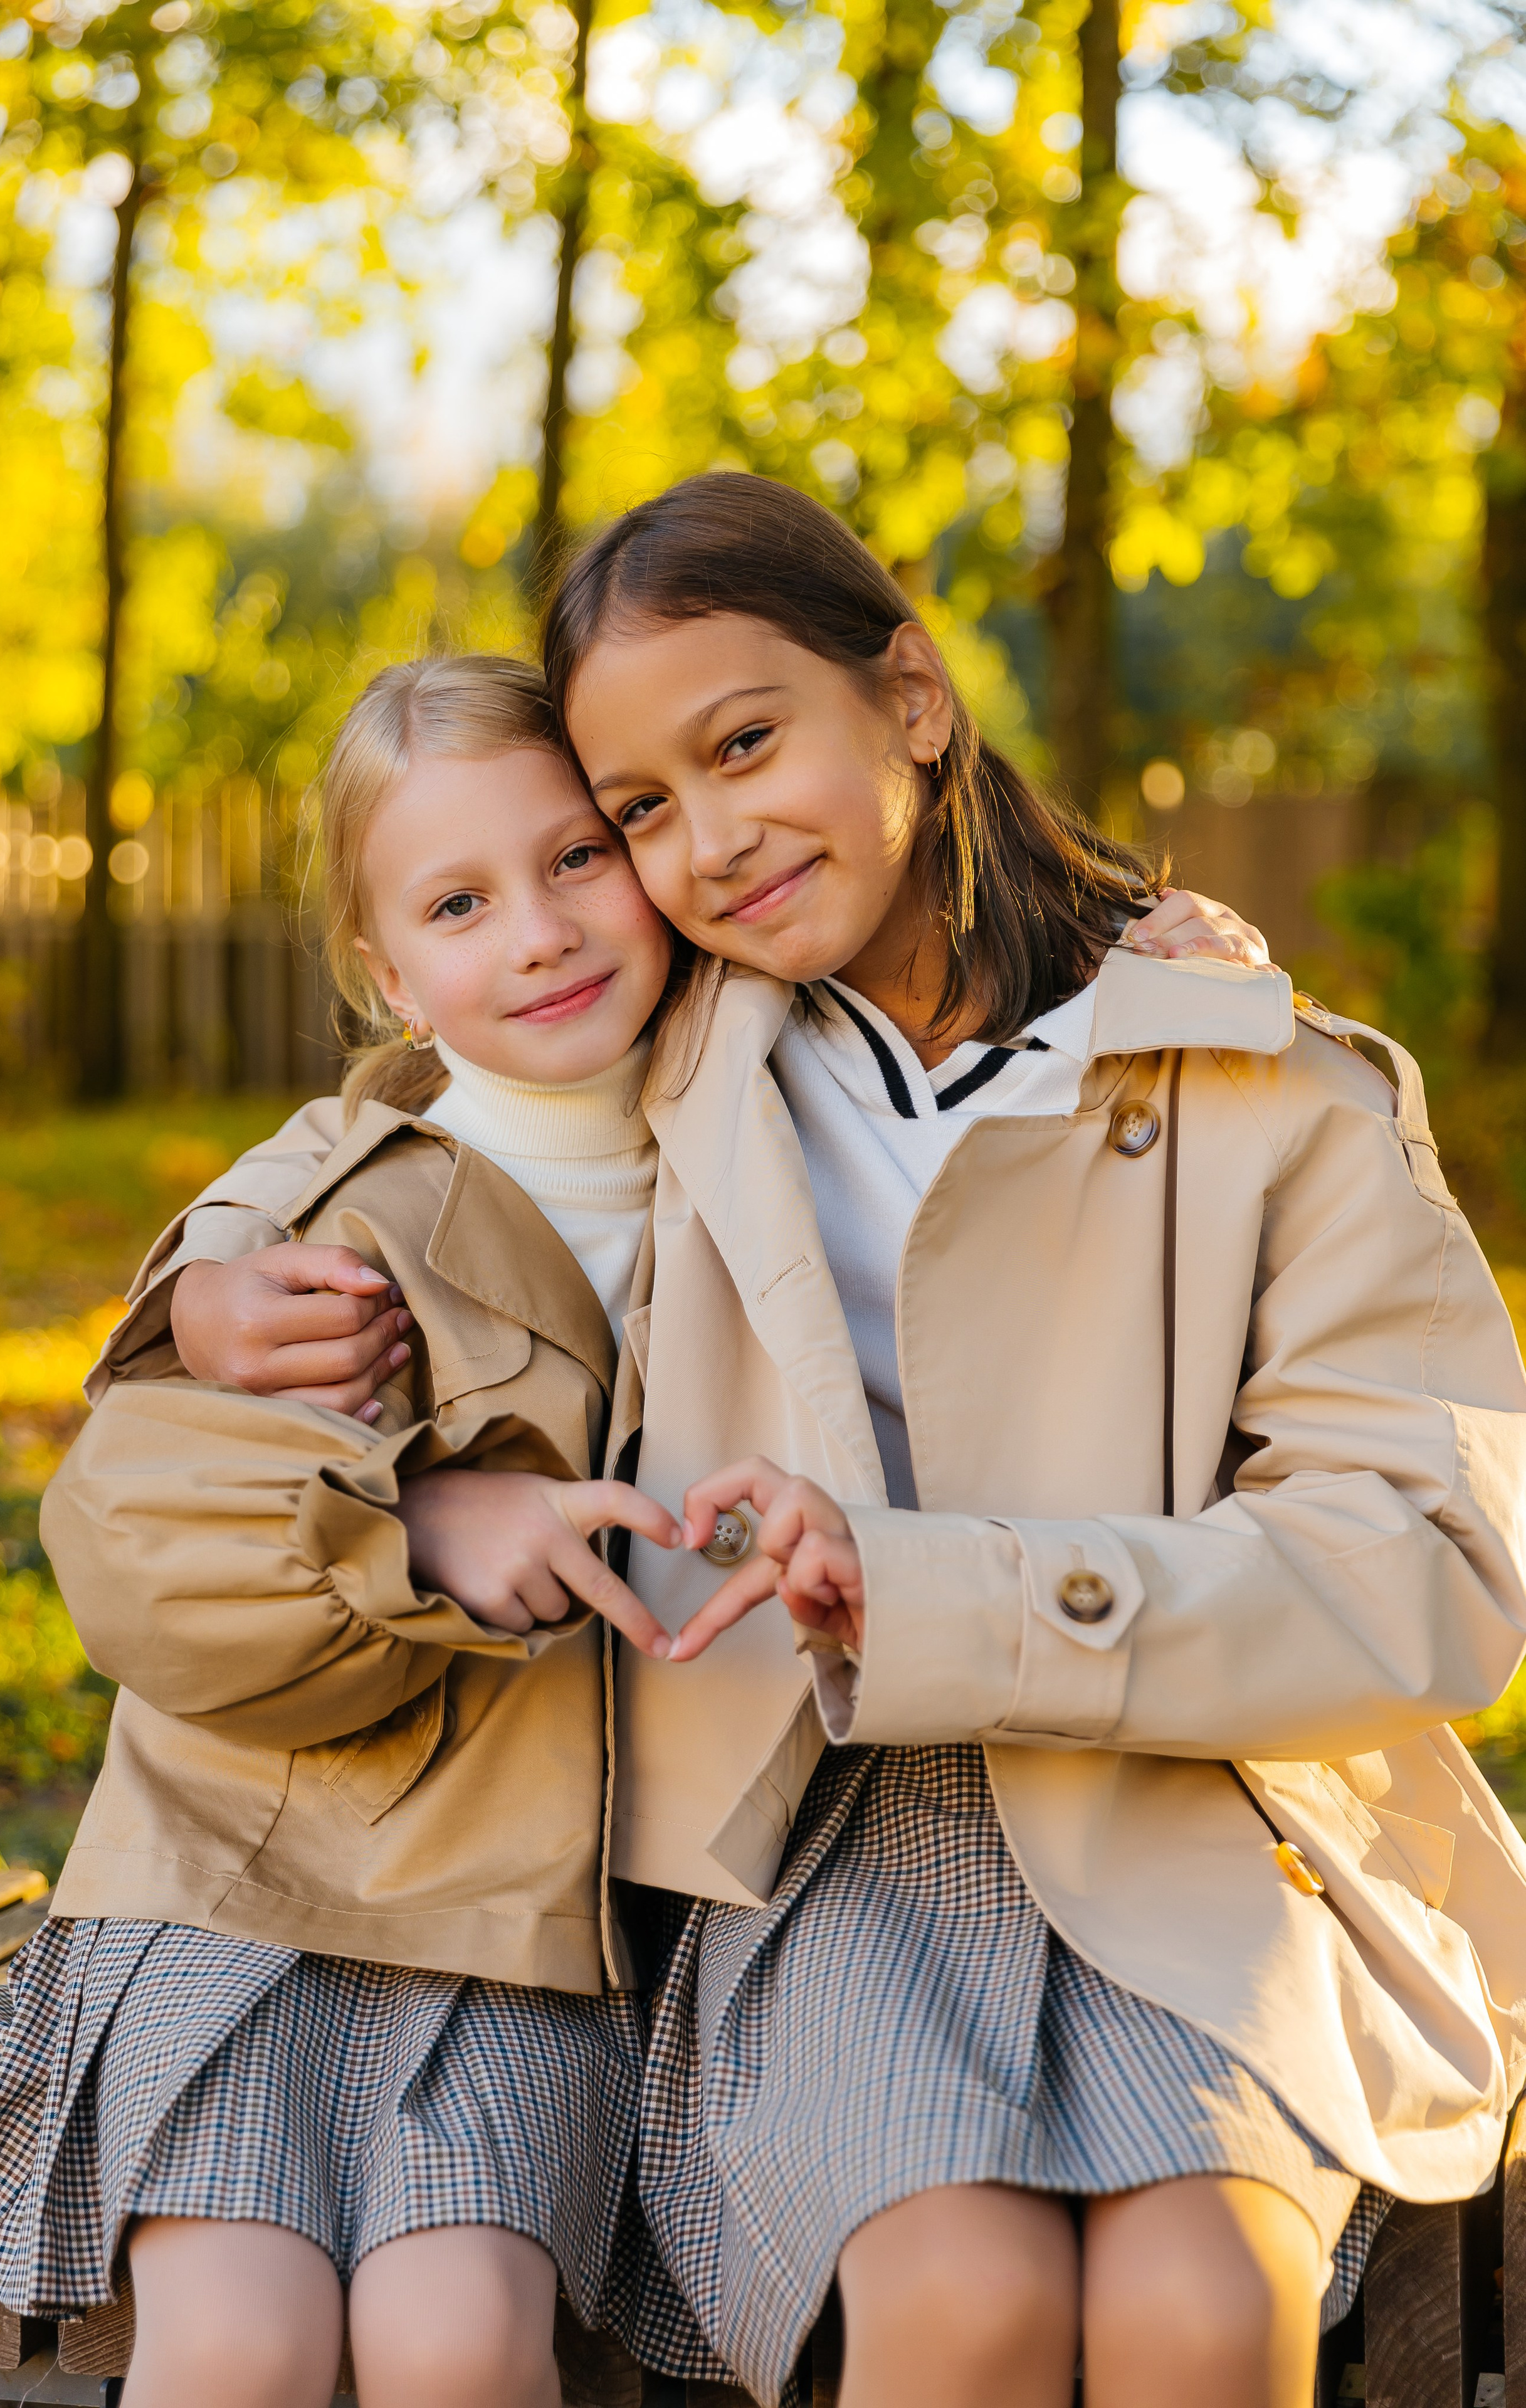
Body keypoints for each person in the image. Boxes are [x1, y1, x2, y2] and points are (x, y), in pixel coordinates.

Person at [527, 473, 1526, 2408]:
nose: (711, 841)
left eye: (747, 743)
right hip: (824, 1837)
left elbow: (1433, 1557)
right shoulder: (652, 1084)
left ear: (911, 697)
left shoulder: (1273, 1088)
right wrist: (221, 1278)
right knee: (961, 2306)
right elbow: (394, 1147)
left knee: (1201, 2311)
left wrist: (938, 1588)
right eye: (641, 809)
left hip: (1198, 1817)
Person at [0, 653, 727, 2408]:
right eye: (459, 901)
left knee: (465, 2346)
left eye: (578, 857)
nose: (539, 933)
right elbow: (133, 1536)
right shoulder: (324, 1212)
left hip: (519, 1913)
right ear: (389, 970)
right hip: (244, 1873)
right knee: (242, 2344)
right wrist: (410, 1520)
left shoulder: (753, 1133)